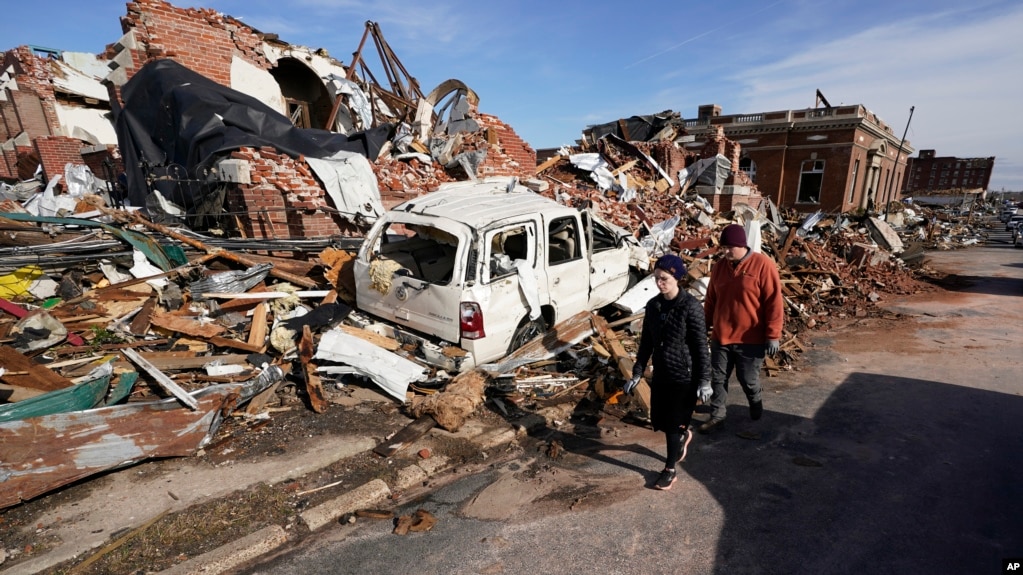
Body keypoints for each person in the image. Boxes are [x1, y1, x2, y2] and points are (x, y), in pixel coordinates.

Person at [624, 254, 711, 491]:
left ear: (677, 277)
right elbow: (646, 344)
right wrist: (637, 373)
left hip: (684, 377)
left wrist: (704, 380)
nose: (659, 283)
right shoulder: (654, 306)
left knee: (672, 425)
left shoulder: (690, 307)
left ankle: (669, 470)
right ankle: (682, 437)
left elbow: (700, 347)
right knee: (660, 421)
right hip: (662, 372)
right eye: (656, 279)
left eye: (664, 279)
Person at [699, 223, 784, 433]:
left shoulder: (763, 265)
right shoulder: (719, 267)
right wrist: (702, 327)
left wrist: (773, 335)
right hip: (721, 336)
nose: (726, 251)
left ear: (742, 245)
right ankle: (717, 416)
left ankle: (755, 399)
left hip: (751, 339)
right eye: (723, 247)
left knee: (747, 379)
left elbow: (774, 302)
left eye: (731, 247)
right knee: (718, 379)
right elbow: (710, 301)